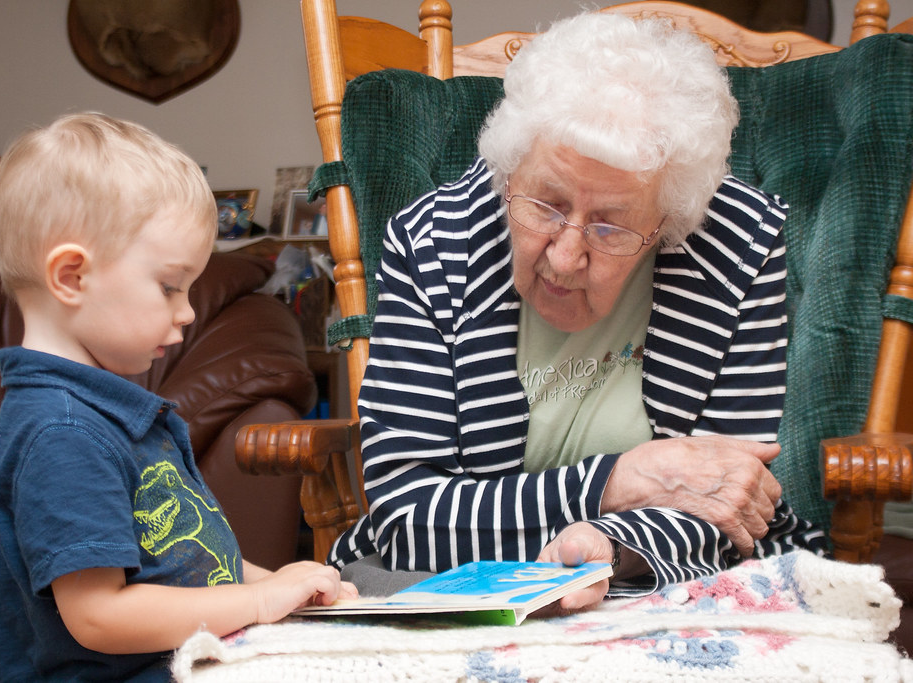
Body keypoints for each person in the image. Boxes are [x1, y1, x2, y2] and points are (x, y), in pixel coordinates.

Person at [330, 12, 827, 609]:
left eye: (611, 226)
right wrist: (620, 483)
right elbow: (407, 519)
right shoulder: (434, 244)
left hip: (669, 582)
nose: (565, 258)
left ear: (668, 221)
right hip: (447, 588)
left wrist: (612, 545)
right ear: (509, 171)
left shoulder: (736, 245)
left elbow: (734, 501)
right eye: (545, 203)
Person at [0, 112, 356, 682]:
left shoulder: (107, 413)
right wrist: (258, 604)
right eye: (168, 287)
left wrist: (277, 585)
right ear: (71, 278)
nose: (186, 312)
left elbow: (191, 563)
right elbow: (99, 615)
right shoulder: (62, 433)